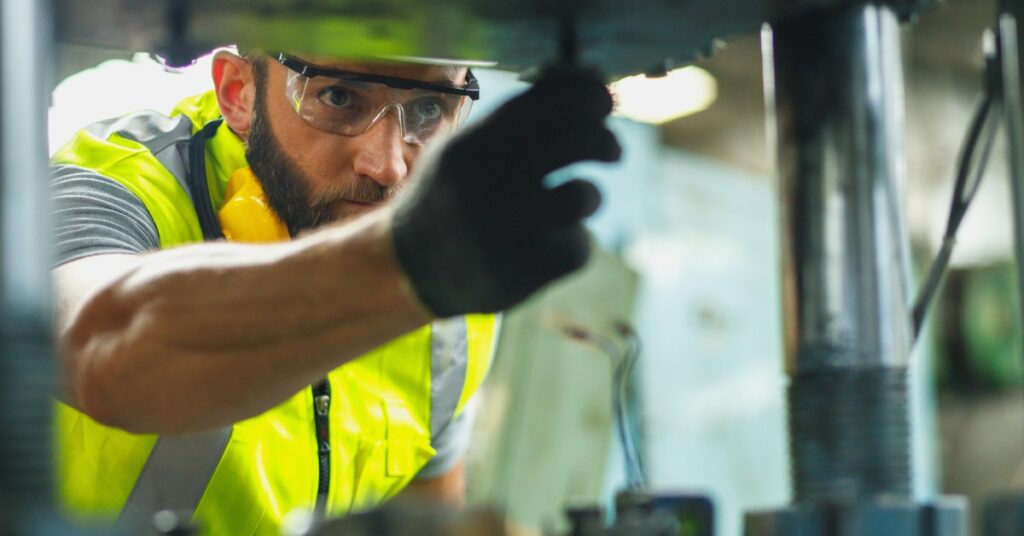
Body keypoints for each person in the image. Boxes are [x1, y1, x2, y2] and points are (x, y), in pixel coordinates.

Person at [50, 47, 620, 533]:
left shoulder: (452, 295)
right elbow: (101, 347)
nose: (388, 166)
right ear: (239, 92)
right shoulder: (116, 187)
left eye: (428, 110)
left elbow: (427, 508)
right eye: (339, 98)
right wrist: (401, 264)